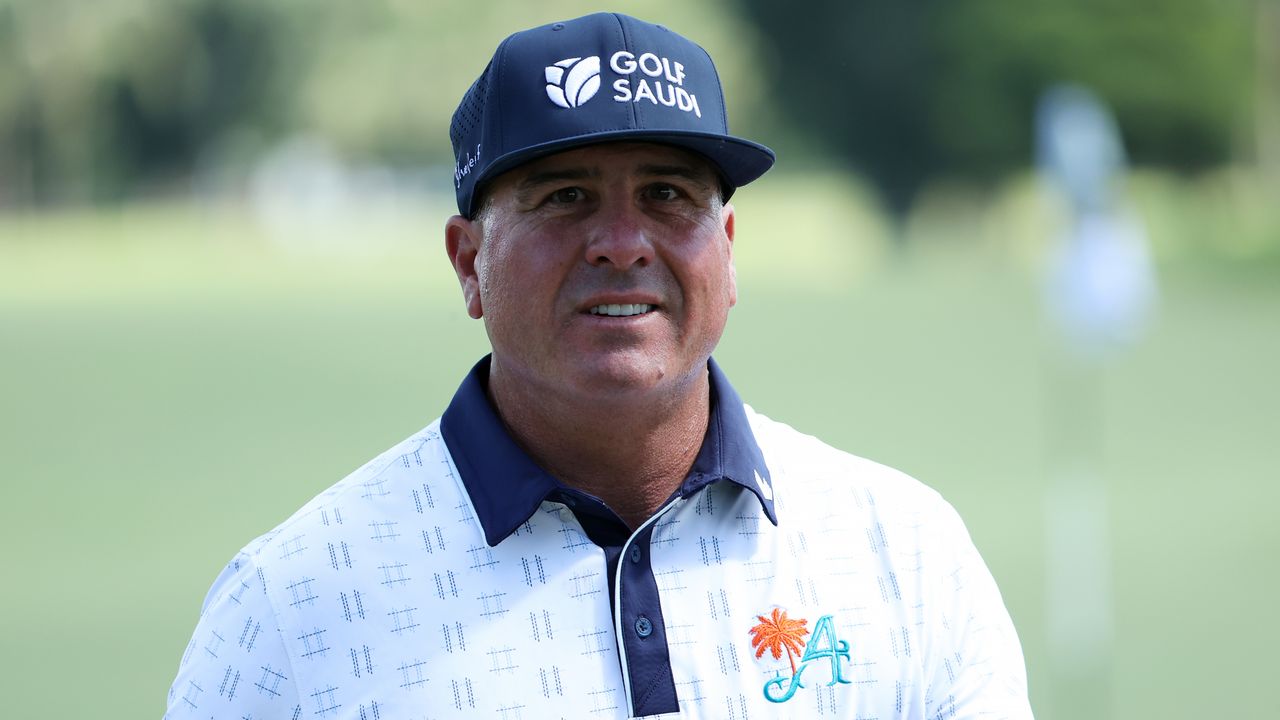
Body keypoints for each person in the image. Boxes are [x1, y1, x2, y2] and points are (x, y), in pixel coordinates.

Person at [165, 12, 1032, 719]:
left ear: (726, 254)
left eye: (667, 195)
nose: (622, 245)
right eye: (565, 197)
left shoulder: (906, 556)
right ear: (469, 262)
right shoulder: (290, 612)